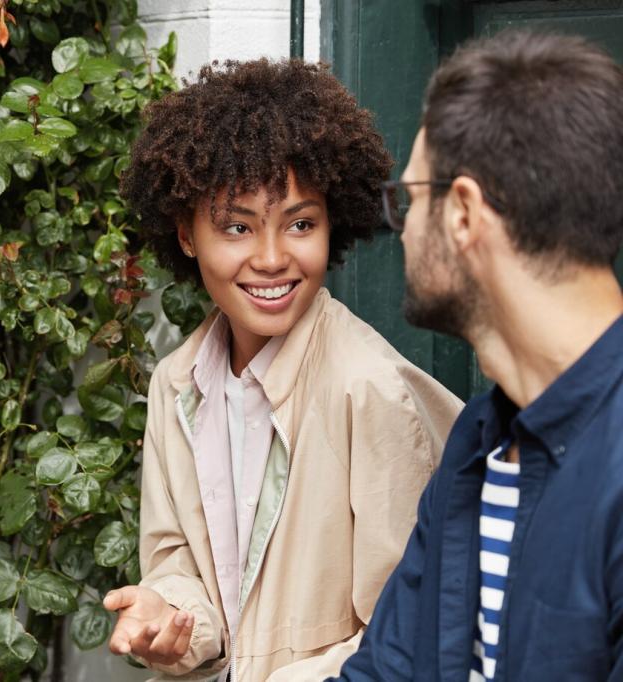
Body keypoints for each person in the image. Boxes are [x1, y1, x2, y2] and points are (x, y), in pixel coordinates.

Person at [103, 59, 463, 681]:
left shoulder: (369, 390)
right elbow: (181, 568)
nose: (272, 258)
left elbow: (407, 637)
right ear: (186, 235)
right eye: (237, 227)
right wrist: (172, 619)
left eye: (300, 223)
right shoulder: (177, 383)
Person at [332, 31, 623, 681]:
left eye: (410, 201)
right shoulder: (478, 439)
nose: (402, 230)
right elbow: (388, 671)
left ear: (463, 212)